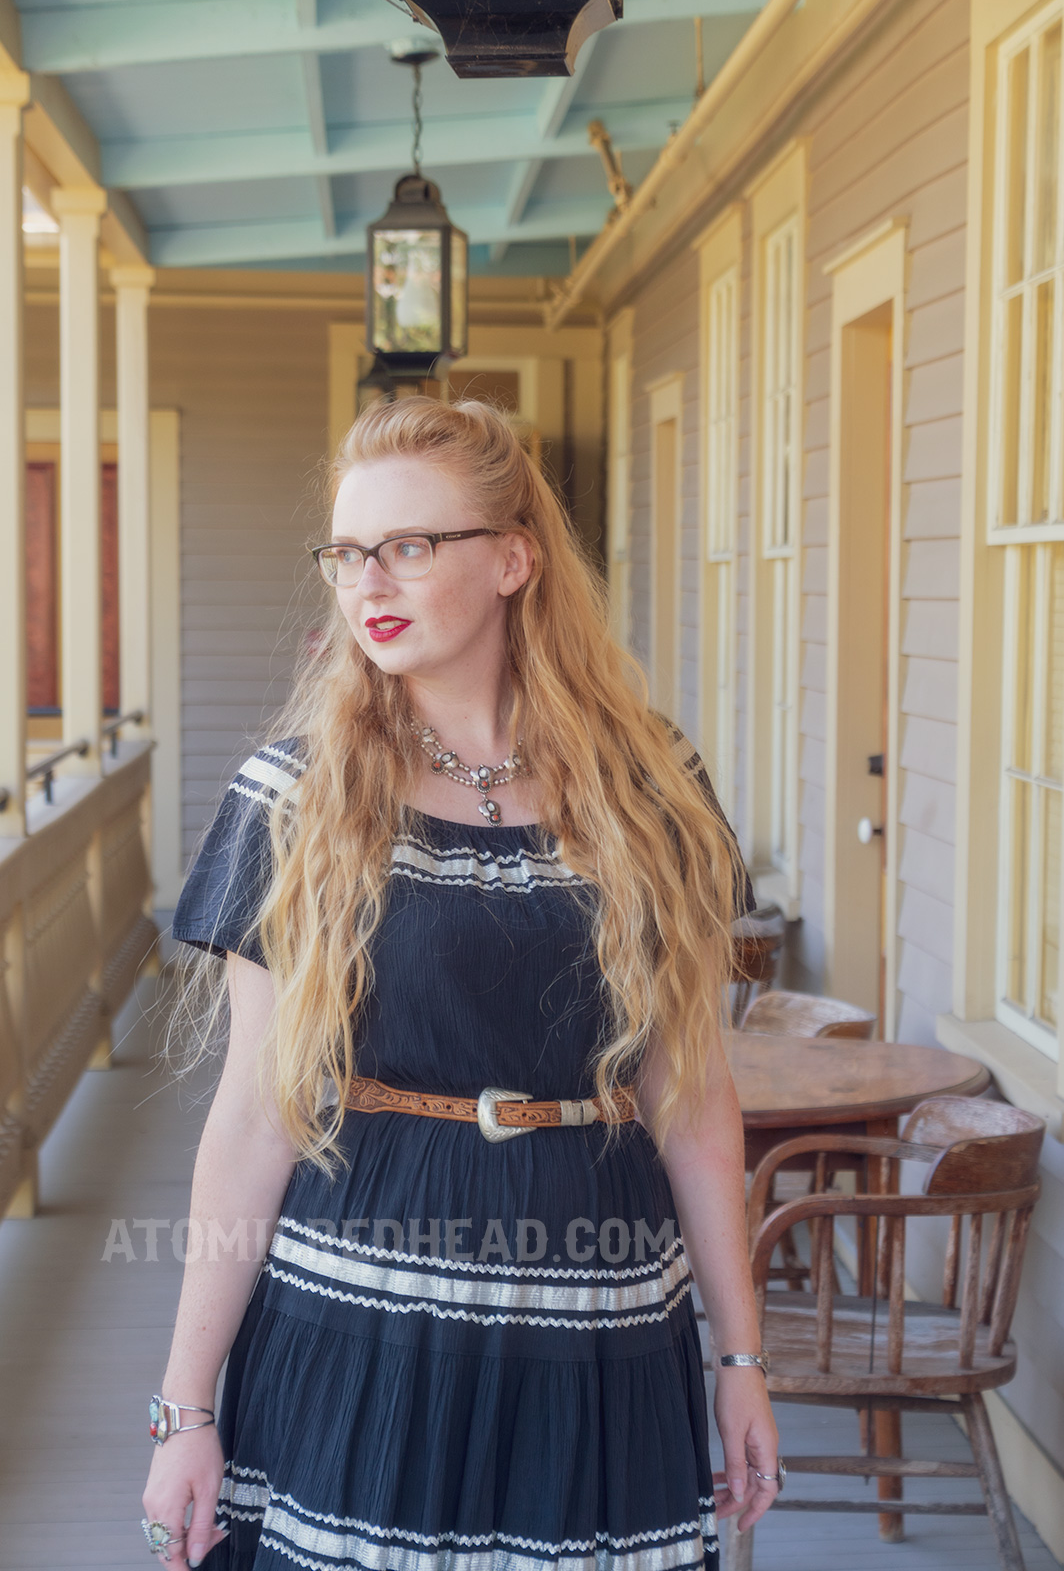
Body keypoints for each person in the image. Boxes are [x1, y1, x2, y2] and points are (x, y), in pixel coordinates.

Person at [141, 397, 780, 1571]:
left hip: (599, 1318)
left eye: (409, 546)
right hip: (358, 1314)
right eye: (346, 552)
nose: (365, 580)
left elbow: (689, 1092)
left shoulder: (652, 787)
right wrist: (184, 1409)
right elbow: (248, 1119)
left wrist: (737, 1360)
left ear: (512, 559)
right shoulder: (293, 798)